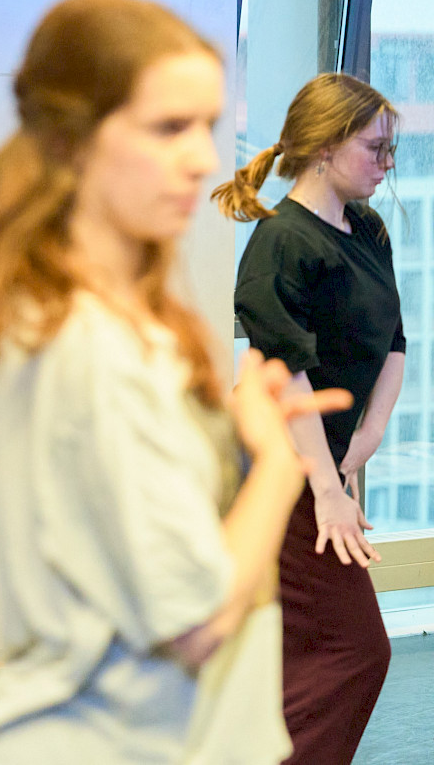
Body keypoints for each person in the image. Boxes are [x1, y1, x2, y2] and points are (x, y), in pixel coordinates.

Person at [0, 0, 351, 764]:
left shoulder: (65, 321)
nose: (201, 158)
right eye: (167, 128)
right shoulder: (98, 350)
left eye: (206, 127)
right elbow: (198, 624)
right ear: (72, 141)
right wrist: (277, 462)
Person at [211, 72, 403, 765]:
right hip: (272, 465)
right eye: (375, 148)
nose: (386, 164)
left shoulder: (367, 228)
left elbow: (395, 341)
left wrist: (364, 442)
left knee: (299, 655)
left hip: (322, 460)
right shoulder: (280, 243)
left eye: (391, 150)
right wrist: (326, 488)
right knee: (357, 650)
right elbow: (287, 372)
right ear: (324, 146)